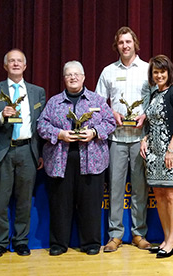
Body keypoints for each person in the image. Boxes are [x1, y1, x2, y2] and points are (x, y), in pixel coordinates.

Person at [37, 61, 116, 256]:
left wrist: (95, 132)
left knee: (90, 203)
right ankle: (58, 243)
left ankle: (90, 243)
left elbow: (111, 122)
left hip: (92, 159)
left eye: (76, 74)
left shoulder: (97, 101)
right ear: (64, 79)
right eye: (69, 75)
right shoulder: (54, 102)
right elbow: (41, 126)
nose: (73, 77)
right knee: (60, 204)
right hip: (60, 159)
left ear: (84, 77)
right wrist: (59, 134)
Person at [0, 49, 46, 258]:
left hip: (28, 150)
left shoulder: (37, 92)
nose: (16, 64)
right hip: (2, 151)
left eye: (20, 61)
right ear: (5, 66)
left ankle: (21, 241)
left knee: (24, 200)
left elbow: (42, 126)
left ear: (25, 66)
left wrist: (41, 153)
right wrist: (1, 115)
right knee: (0, 200)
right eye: (12, 61)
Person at [95, 26, 151, 252]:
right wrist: (111, 113)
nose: (125, 46)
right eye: (121, 43)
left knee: (140, 189)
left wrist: (146, 114)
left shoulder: (148, 70)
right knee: (116, 190)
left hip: (141, 139)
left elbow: (158, 100)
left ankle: (139, 234)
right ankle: (115, 235)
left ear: (135, 44)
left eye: (128, 42)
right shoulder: (108, 71)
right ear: (116, 46)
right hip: (116, 139)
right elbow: (97, 104)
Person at [140, 55, 173, 258]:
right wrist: (145, 138)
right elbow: (153, 122)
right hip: (154, 152)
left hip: (172, 150)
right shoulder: (154, 94)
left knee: (171, 195)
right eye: (155, 72)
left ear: (169, 72)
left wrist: (171, 149)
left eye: (162, 71)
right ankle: (166, 239)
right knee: (159, 194)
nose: (159, 75)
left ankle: (172, 241)